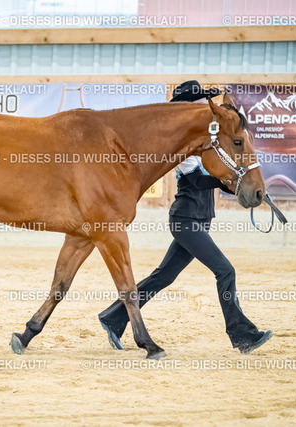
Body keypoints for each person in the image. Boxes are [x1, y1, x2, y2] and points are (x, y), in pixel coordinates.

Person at [98, 80, 272, 354]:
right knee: (225, 271)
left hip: (199, 219)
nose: (205, 107)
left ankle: (113, 318)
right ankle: (242, 335)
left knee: (163, 277)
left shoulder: (208, 141)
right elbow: (198, 180)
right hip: (186, 221)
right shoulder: (183, 147)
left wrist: (240, 180)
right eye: (199, 102)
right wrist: (227, 181)